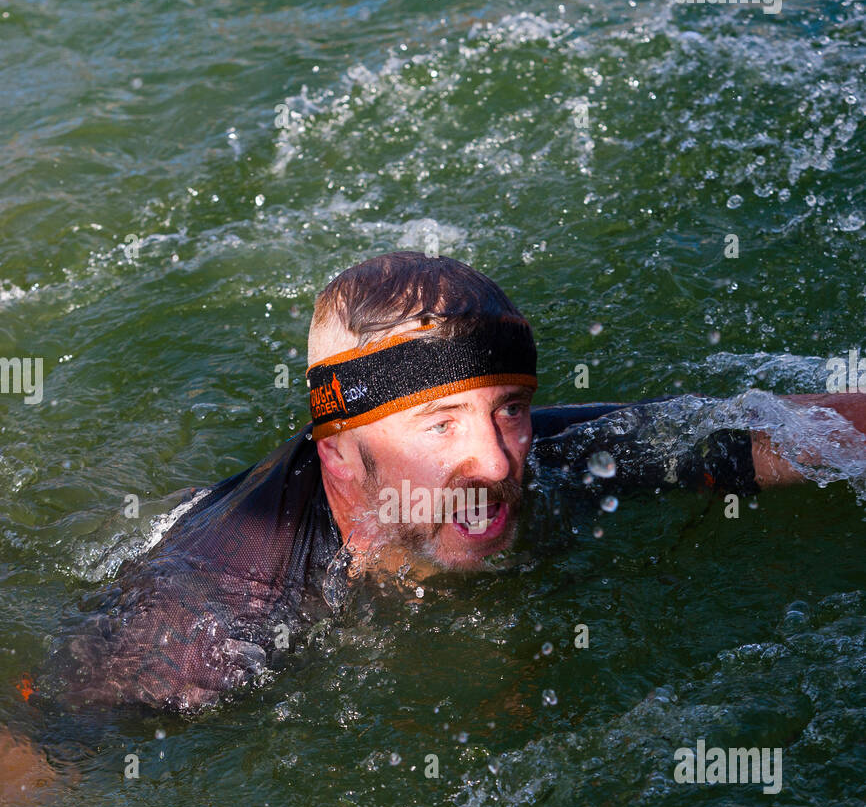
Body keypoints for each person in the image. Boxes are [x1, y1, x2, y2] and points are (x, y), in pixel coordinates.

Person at [4, 250, 865, 751]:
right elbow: (48, 750)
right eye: (440, 424)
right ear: (340, 455)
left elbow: (809, 433)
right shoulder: (214, 610)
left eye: (511, 410)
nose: (495, 462)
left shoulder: (560, 460)